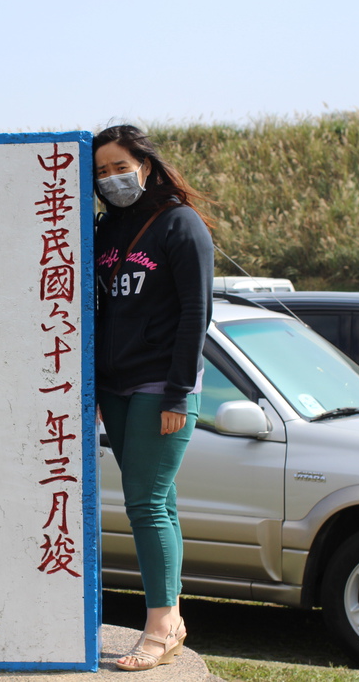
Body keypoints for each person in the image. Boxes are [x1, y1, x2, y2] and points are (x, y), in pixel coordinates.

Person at [93, 125, 214, 671]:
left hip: (160, 387)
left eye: (119, 166)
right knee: (157, 501)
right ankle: (173, 620)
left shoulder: (179, 225)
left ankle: (161, 626)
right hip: (115, 388)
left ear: (145, 164)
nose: (111, 179)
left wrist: (178, 394)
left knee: (144, 503)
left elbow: (196, 314)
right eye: (99, 172)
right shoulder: (104, 230)